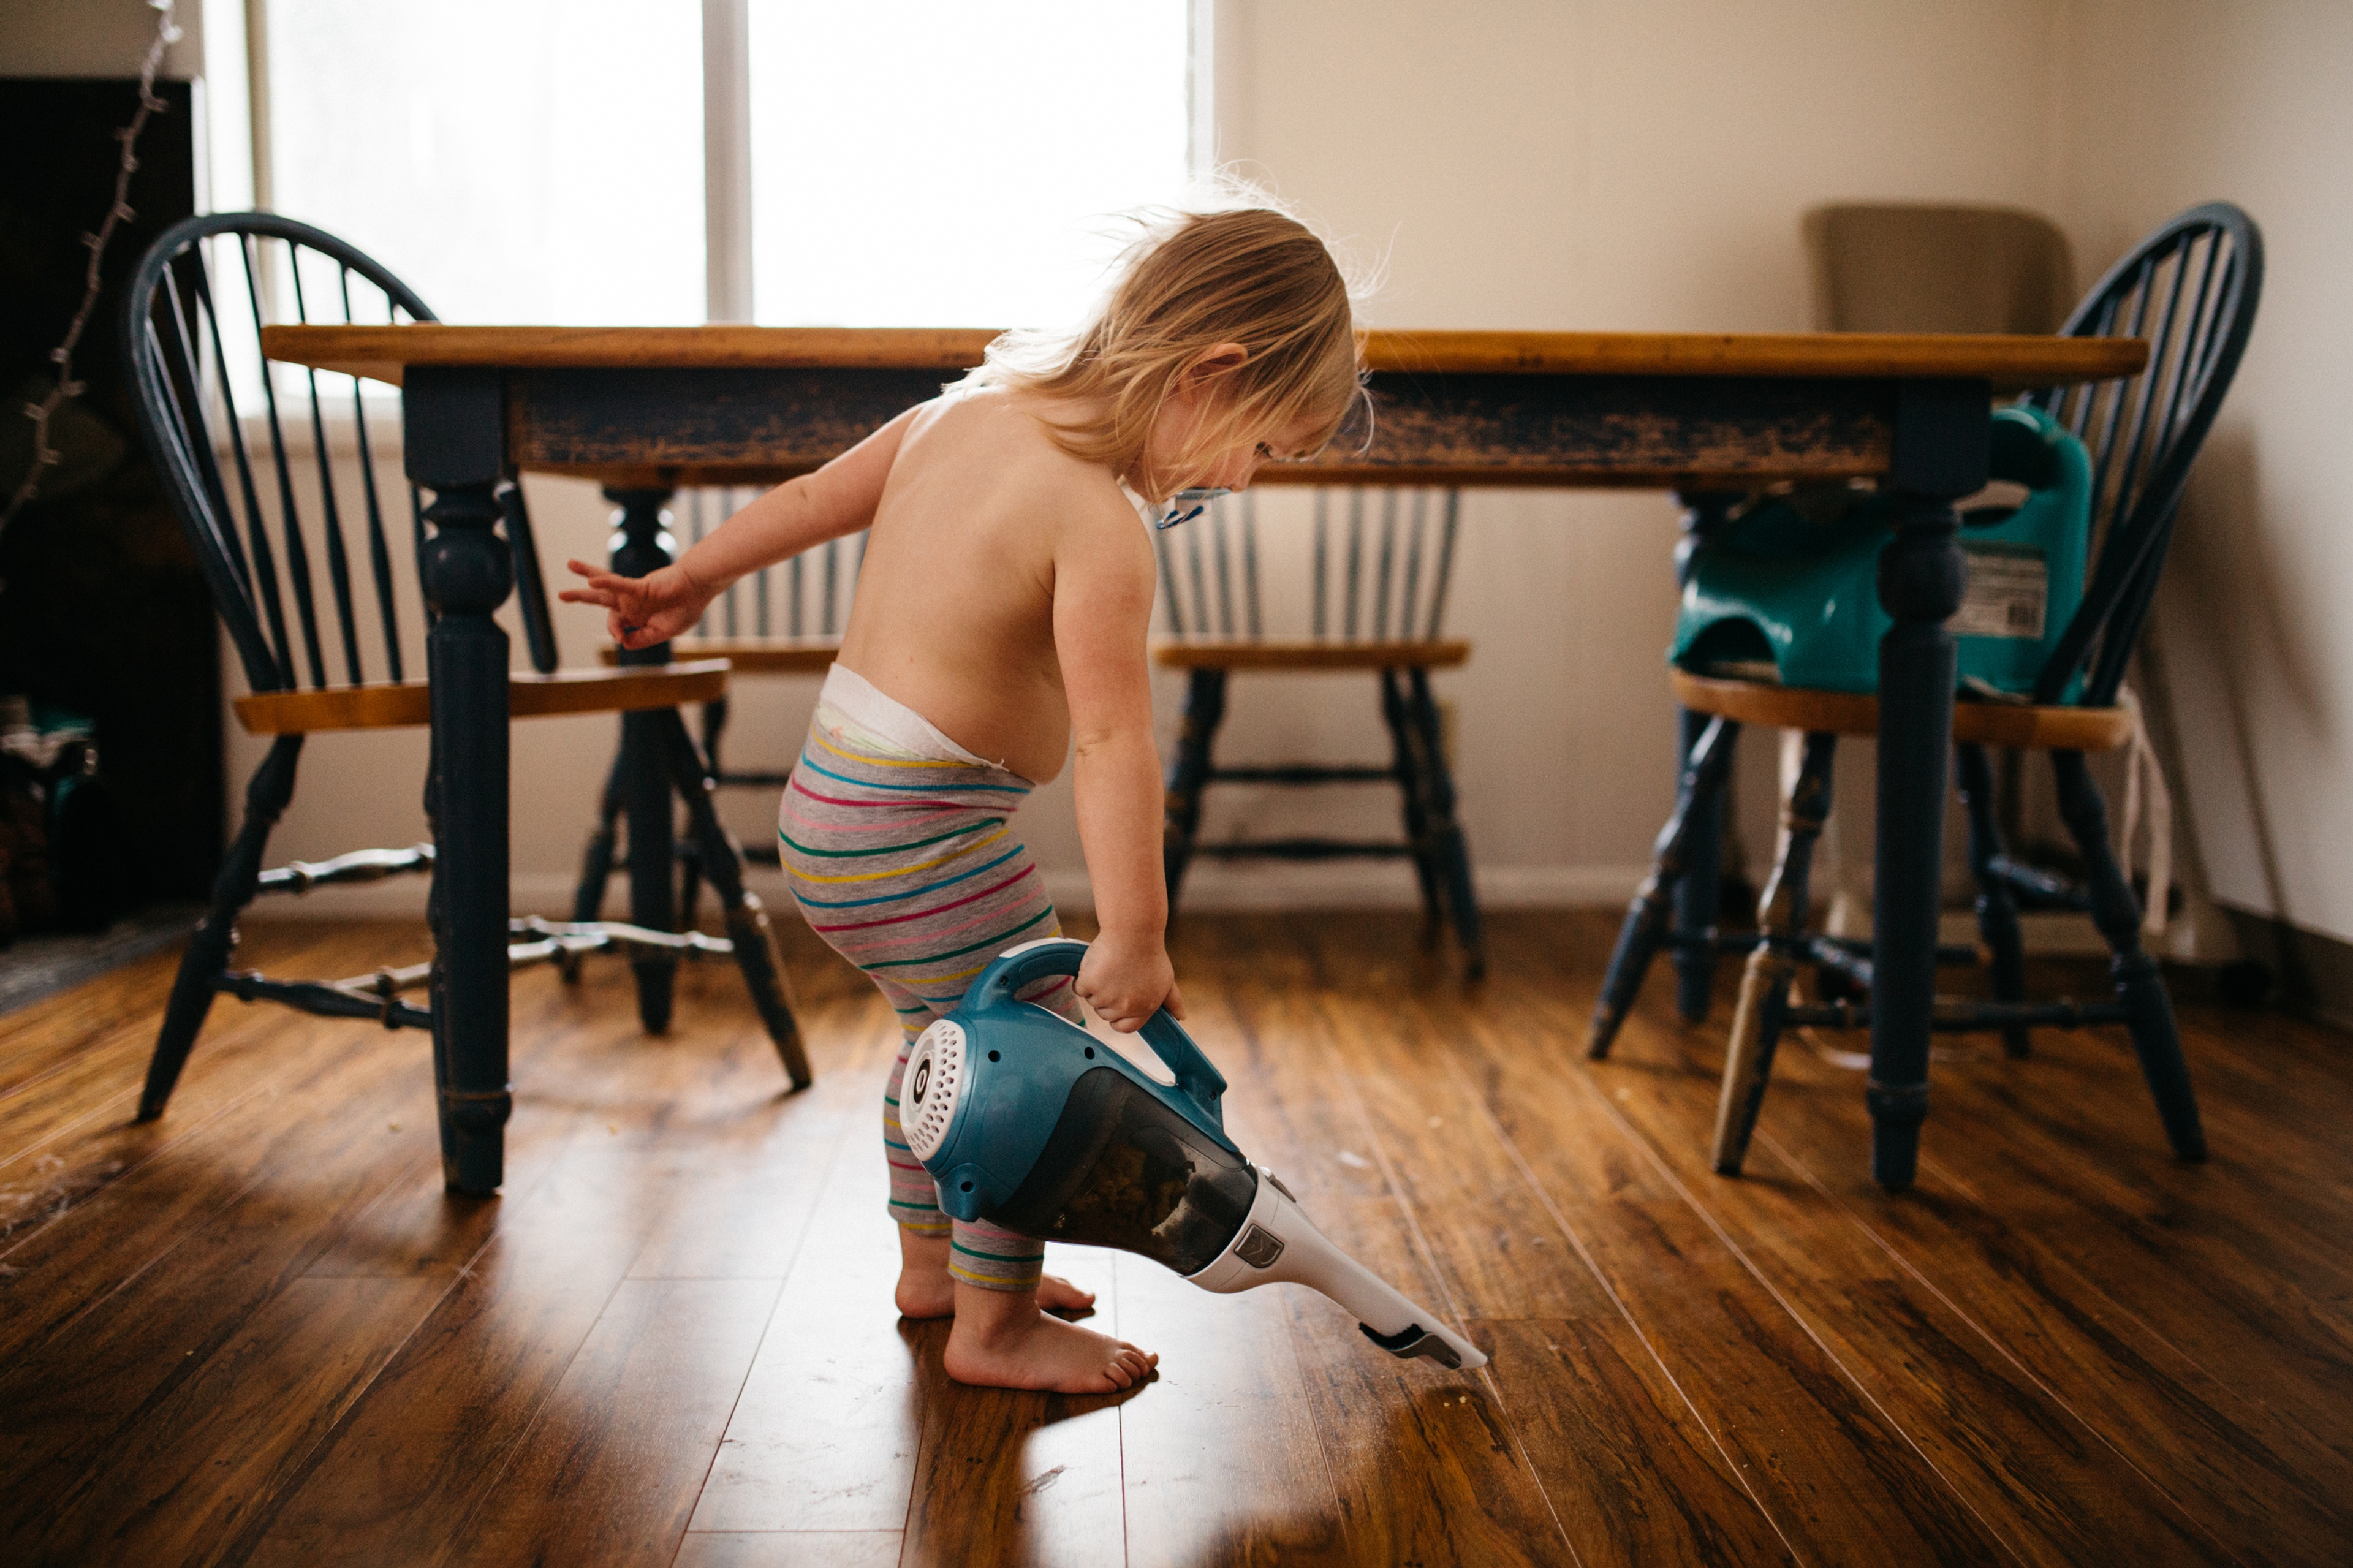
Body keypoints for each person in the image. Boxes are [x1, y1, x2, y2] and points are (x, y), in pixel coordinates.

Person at [562, 204, 1364, 1393]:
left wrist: (685, 579)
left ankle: (933, 1270)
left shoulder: (963, 410)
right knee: (1022, 1064)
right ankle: (995, 1328)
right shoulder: (1099, 520)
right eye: (1264, 448)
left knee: (937, 1045)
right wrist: (1136, 931)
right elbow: (1112, 742)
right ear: (1210, 374)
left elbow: (802, 501)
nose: (1244, 479)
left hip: (828, 816)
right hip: (922, 830)